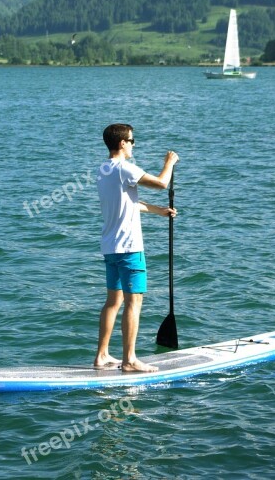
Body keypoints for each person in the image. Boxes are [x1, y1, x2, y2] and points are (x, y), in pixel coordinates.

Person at [94, 123, 179, 372]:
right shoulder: (124, 168)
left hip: (110, 246)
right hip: (130, 247)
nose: (133, 145)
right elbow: (162, 183)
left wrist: (158, 211)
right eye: (132, 141)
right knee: (134, 302)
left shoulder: (104, 169)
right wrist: (170, 162)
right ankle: (129, 360)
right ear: (122, 143)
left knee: (113, 301)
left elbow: (129, 202)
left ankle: (102, 355)